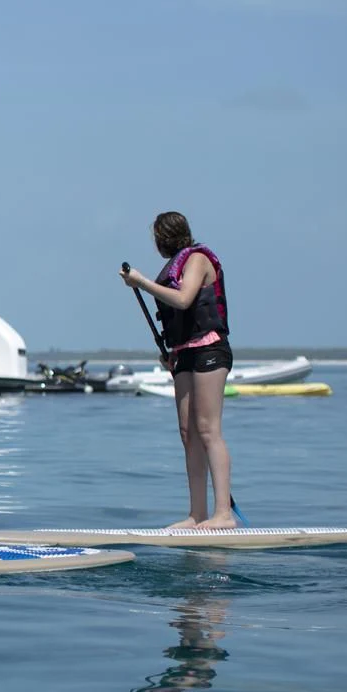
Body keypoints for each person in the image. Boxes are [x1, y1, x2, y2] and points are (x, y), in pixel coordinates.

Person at [120, 211, 235, 529]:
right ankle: (197, 514)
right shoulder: (175, 265)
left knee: (208, 429)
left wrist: (140, 282)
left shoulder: (197, 258)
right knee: (188, 433)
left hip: (210, 348)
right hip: (183, 353)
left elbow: (184, 300)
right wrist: (171, 352)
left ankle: (223, 513)